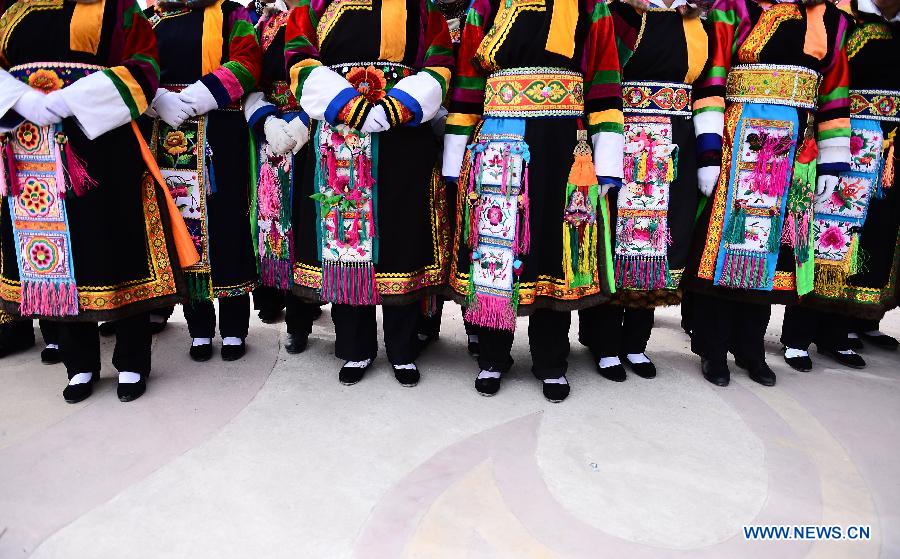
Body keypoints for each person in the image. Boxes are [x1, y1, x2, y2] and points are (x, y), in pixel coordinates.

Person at [0, 0, 198, 402]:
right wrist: (21, 100)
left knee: (118, 245)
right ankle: (79, 363)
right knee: (60, 256)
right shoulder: (12, 9)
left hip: (102, 144)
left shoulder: (116, 6)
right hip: (30, 148)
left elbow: (143, 68)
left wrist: (71, 100)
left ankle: (131, 360)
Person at [443, 0, 624, 402]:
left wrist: (607, 158)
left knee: (552, 252)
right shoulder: (485, 6)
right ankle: (492, 356)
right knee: (496, 249)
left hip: (564, 147)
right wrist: (455, 160)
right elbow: (469, 83)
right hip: (499, 142)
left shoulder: (589, 5)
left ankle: (551, 361)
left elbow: (605, 81)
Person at [285, 0, 453, 386]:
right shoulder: (314, 8)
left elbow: (440, 63)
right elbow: (298, 60)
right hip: (337, 135)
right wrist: (349, 106)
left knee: (401, 240)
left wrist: (399, 106)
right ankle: (355, 347)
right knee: (343, 238)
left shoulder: (422, 10)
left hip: (403, 139)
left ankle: (402, 348)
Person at [686, 0, 852, 387]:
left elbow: (835, 90)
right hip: (738, 140)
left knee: (770, 255)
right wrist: (709, 150)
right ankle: (713, 347)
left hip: (794, 149)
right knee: (727, 247)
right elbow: (712, 75)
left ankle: (750, 347)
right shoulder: (735, 6)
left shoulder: (831, 19)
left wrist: (831, 158)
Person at [578, 0, 708, 382]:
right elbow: (598, 73)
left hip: (674, 142)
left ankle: (635, 342)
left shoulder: (695, 18)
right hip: (622, 138)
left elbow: (703, 85)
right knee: (614, 240)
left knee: (660, 244)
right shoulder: (619, 13)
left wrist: (707, 151)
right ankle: (602, 343)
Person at [780, 0, 899, 370]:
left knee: (868, 240)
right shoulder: (843, 19)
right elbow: (828, 78)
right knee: (829, 237)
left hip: (888, 147)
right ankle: (798, 335)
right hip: (848, 137)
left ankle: (839, 330)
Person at [146, 0, 263, 362]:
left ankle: (233, 328)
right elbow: (134, 69)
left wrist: (199, 95)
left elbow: (247, 63)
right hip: (167, 134)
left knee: (227, 226)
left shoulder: (233, 14)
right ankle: (198, 327)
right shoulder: (153, 18)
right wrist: (156, 98)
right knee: (182, 226)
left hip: (220, 138)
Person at [245, 0, 321, 353]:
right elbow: (252, 79)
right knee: (278, 227)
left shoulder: (323, 14)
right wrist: (265, 119)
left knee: (310, 228)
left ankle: (304, 314)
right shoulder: (265, 23)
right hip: (274, 136)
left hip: (318, 131)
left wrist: (306, 121)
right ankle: (285, 308)